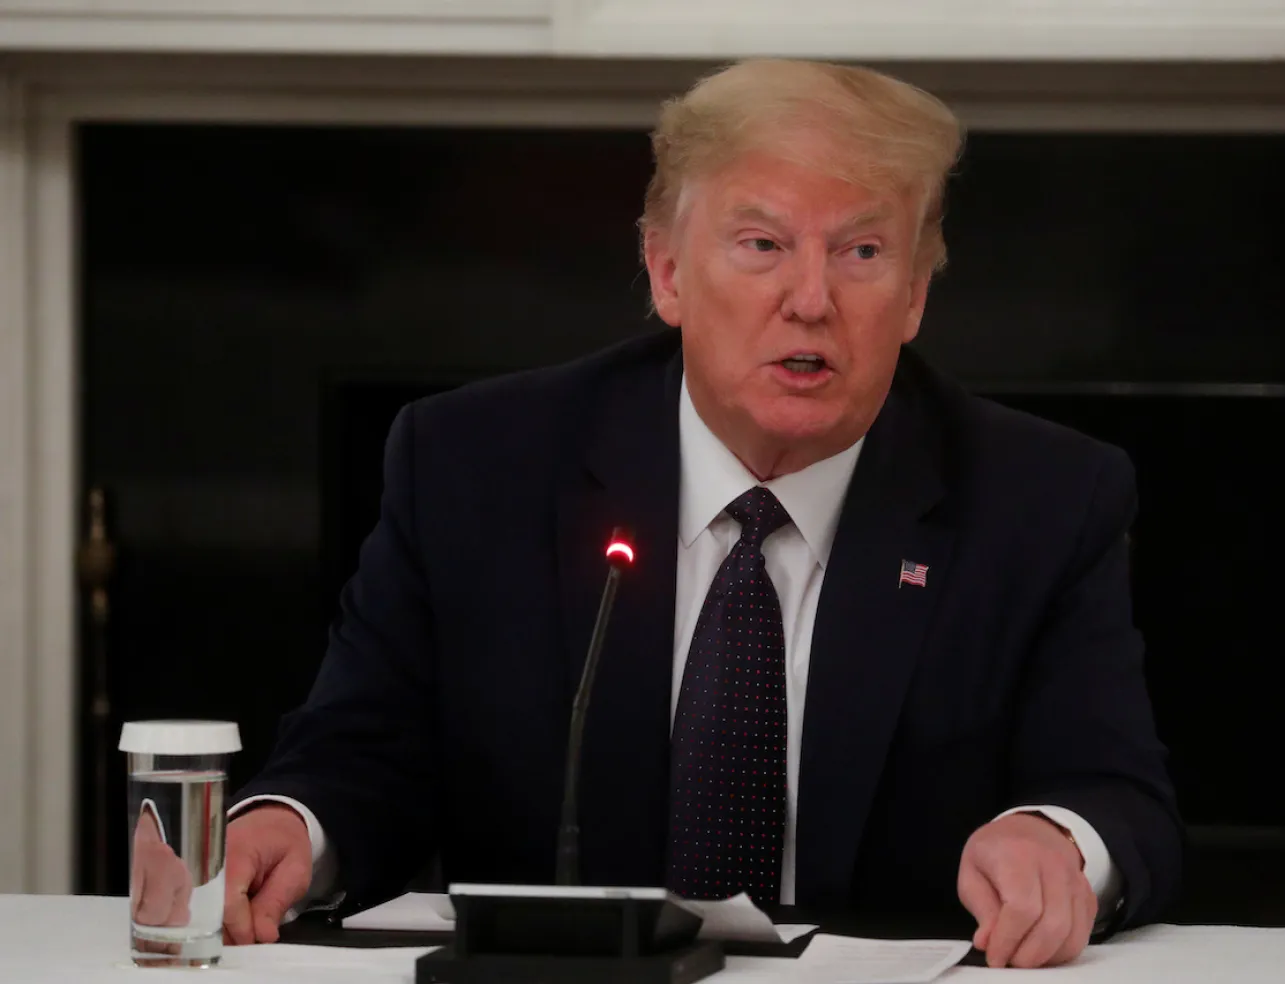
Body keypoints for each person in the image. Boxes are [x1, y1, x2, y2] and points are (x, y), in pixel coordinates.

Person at [221, 58, 1182, 968]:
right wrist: (295, 826)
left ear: (916, 295)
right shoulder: (477, 465)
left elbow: (1115, 793)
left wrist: (1056, 839)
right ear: (669, 272)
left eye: (863, 251)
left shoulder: (1042, 499)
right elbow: (363, 753)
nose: (812, 300)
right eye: (763, 245)